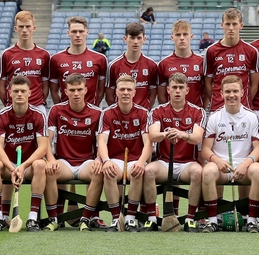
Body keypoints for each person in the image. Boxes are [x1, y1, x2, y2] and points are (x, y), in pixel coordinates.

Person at [200, 76, 259, 233]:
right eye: (227, 91)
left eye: (235, 91)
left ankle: (251, 220)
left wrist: (245, 164)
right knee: (208, 172)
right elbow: (205, 149)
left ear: (242, 92)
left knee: (258, 171)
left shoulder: (251, 117)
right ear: (221, 93)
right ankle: (213, 220)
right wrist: (217, 161)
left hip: (244, 165)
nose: (231, 95)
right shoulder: (214, 117)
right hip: (222, 166)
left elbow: (258, 149)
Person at [146, 72, 206, 232]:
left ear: (187, 90)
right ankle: (151, 218)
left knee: (198, 172)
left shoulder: (198, 111)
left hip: (187, 163)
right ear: (168, 90)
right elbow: (153, 135)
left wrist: (181, 134)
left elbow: (197, 138)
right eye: (174, 87)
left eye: (181, 87)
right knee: (148, 171)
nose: (177, 91)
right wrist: (167, 134)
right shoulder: (158, 111)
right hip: (164, 162)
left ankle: (190, 219)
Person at [0, 76, 49, 232]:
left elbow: (43, 147)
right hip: (9, 165)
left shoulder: (39, 115)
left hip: (28, 166)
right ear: (10, 93)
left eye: (23, 91)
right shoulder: (1, 115)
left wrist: (23, 166)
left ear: (30, 92)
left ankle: (32, 218)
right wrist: (12, 168)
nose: (19, 94)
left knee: (40, 164)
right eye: (16, 91)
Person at [44, 74, 105, 232]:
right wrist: (50, 160)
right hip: (64, 162)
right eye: (72, 90)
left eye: (79, 89)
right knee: (49, 171)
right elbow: (46, 140)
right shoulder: (56, 110)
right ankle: (54, 219)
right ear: (65, 91)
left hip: (86, 162)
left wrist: (99, 159)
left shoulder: (97, 113)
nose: (76, 93)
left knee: (99, 172)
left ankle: (85, 218)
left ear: (86, 90)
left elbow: (101, 142)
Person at [95, 75, 152, 232]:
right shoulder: (107, 113)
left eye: (129, 89)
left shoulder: (143, 113)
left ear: (134, 92)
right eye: (122, 89)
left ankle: (130, 219)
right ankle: (116, 218)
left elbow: (148, 143)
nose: (125, 92)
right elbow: (102, 142)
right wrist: (106, 161)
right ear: (116, 92)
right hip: (115, 158)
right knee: (109, 172)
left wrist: (141, 162)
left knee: (137, 172)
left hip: (136, 158)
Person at [203, 8, 259, 112]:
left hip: (243, 109)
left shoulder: (251, 51)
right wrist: (216, 100)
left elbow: (254, 85)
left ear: (241, 26)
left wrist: (244, 102)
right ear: (222, 25)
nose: (231, 28)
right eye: (227, 24)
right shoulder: (211, 51)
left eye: (234, 24)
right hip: (218, 108)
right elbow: (207, 83)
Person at [0, 11, 50, 114]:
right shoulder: (6, 54)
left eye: (28, 26)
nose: (24, 30)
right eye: (21, 26)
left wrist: (39, 101)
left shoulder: (44, 54)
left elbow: (45, 83)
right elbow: (0, 85)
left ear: (34, 28)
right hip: (13, 106)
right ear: (15, 29)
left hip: (37, 107)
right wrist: (8, 103)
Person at [49, 16, 108, 106]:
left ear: (87, 32)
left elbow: (101, 91)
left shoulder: (100, 59)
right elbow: (54, 91)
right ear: (68, 33)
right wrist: (61, 109)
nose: (77, 35)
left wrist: (93, 108)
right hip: (65, 112)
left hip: (91, 111)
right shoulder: (56, 59)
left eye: (81, 31)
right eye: (74, 31)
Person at [106, 22, 158, 109]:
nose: (135, 42)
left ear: (144, 39)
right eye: (132, 38)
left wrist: (145, 111)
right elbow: (109, 96)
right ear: (125, 38)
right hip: (120, 114)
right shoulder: (114, 65)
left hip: (143, 114)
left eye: (139, 38)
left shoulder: (152, 65)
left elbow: (153, 93)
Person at [157, 20, 206, 109]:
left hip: (196, 113)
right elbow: (161, 96)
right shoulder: (164, 64)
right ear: (172, 37)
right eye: (178, 35)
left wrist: (201, 109)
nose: (182, 38)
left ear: (191, 36)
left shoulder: (202, 62)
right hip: (172, 114)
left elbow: (207, 91)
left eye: (185, 34)